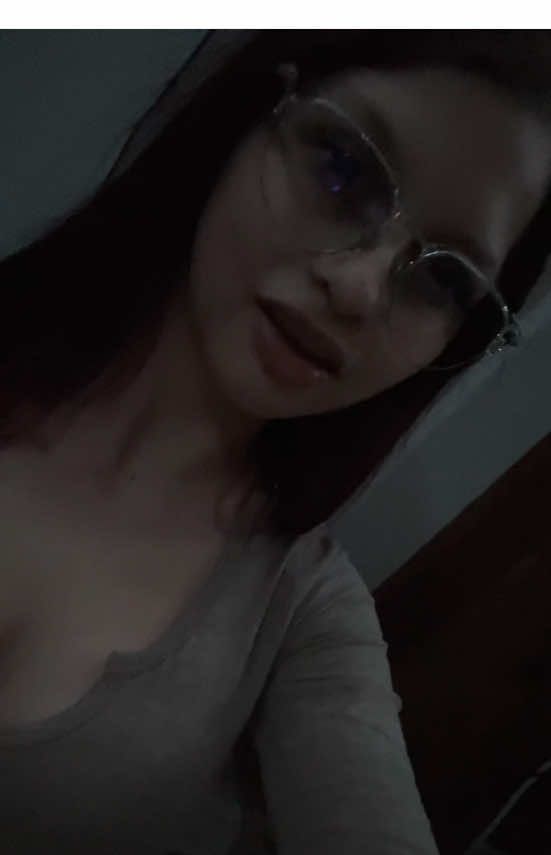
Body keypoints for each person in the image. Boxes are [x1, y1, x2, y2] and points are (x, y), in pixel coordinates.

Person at [0, 29, 550, 855]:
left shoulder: (303, 618)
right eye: (342, 169)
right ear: (256, 109)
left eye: (444, 278)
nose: (357, 287)